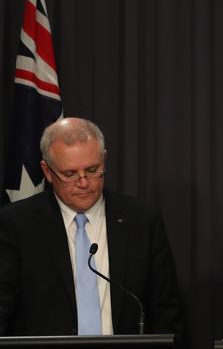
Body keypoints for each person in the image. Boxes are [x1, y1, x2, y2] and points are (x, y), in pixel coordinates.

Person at [0, 118, 183, 336]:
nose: (84, 182)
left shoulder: (142, 221)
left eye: (92, 169)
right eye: (70, 174)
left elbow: (166, 311)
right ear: (47, 172)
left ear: (104, 160)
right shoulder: (17, 224)